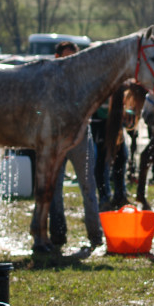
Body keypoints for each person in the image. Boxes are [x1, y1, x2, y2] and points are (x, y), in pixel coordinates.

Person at [49, 41, 103, 247]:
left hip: (80, 139)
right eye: (66, 57)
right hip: (57, 140)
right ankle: (58, 235)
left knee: (88, 186)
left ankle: (95, 235)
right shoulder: (50, 79)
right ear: (57, 57)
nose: (70, 62)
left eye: (73, 57)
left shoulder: (84, 79)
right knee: (55, 189)